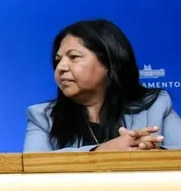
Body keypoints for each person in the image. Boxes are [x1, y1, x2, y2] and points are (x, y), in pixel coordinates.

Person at [24, 19, 180, 152]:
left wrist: (151, 154)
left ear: (109, 65)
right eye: (58, 60)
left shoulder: (156, 105)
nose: (61, 67)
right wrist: (102, 151)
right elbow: (33, 169)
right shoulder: (42, 117)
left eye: (74, 57)